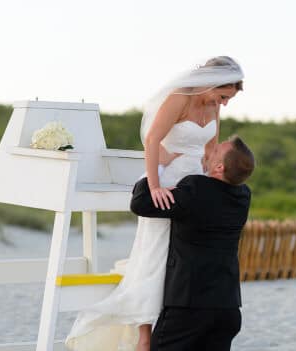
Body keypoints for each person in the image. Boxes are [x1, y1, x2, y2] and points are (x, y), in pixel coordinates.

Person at [66, 56, 243, 351]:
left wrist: (210, 187)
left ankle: (174, 317)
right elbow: (152, 140)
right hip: (169, 178)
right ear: (211, 83)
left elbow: (211, 149)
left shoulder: (213, 108)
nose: (223, 104)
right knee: (155, 254)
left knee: (184, 255)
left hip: (196, 182)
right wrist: (155, 184)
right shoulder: (179, 99)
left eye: (228, 100)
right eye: (223, 96)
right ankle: (145, 336)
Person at [131, 136, 254, 351]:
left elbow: (141, 203)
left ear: (218, 167)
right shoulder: (243, 196)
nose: (209, 151)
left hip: (189, 307)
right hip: (228, 309)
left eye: (215, 152)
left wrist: (159, 165)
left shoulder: (196, 188)